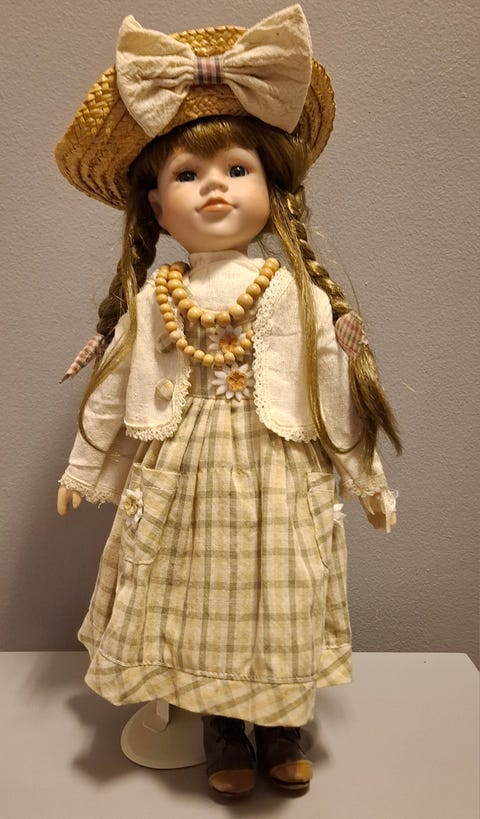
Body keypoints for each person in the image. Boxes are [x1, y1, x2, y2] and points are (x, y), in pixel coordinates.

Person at [55, 5, 401, 798]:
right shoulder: (158, 298)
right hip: (186, 480)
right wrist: (83, 468)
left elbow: (335, 394)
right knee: (196, 603)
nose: (214, 185)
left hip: (281, 475)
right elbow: (113, 391)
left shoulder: (300, 296)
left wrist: (368, 480)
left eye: (235, 169)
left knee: (279, 598)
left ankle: (282, 728)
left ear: (273, 187)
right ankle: (222, 734)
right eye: (187, 174)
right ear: (156, 206)